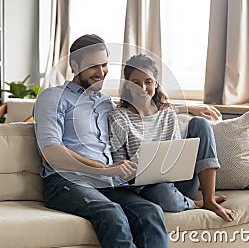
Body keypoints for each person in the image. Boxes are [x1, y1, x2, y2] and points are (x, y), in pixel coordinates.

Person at [33, 34, 169, 248]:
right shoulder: (53, 97)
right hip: (67, 182)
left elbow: (139, 109)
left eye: (104, 64)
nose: (101, 72)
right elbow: (50, 151)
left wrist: (184, 109)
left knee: (150, 212)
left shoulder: (105, 102)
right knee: (112, 214)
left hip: (107, 183)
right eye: (92, 66)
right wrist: (105, 169)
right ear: (74, 65)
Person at [108, 54, 235, 222]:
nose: (143, 89)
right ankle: (196, 204)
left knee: (200, 123)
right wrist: (135, 170)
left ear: (156, 83)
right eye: (136, 83)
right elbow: (119, 165)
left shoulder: (167, 113)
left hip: (179, 182)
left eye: (148, 82)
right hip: (148, 187)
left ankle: (209, 200)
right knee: (164, 194)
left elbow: (176, 153)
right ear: (128, 85)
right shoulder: (118, 117)